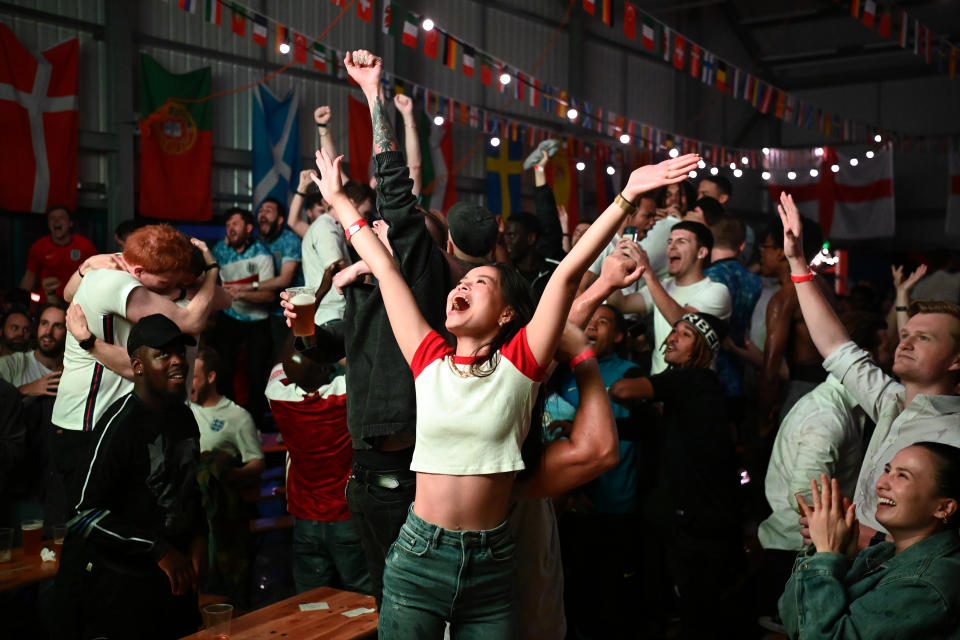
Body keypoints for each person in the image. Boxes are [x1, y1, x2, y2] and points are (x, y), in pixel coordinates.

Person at [306, 48, 698, 637]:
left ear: (509, 311)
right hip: (417, 557)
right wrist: (337, 202)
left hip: (492, 563)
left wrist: (625, 197)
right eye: (460, 281)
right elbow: (386, 272)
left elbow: (567, 274)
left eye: (479, 282)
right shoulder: (429, 358)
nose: (461, 285)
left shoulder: (522, 364)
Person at [777, 191, 960, 543]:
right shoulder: (892, 401)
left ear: (956, 360)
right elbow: (835, 345)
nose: (904, 342)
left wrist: (865, 539)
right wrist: (799, 264)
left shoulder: (951, 434)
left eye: (924, 338)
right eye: (905, 334)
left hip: (901, 588)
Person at [55, 314, 207, 640]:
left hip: (176, 586)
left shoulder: (184, 418)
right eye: (163, 354)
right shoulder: (120, 425)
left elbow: (188, 488)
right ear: (138, 366)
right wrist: (158, 549)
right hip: (126, 591)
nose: (178, 361)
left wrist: (198, 539)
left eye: (180, 352)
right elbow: (83, 515)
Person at [51, 225, 218, 508]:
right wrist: (213, 269)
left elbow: (220, 298)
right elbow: (191, 321)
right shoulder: (114, 282)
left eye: (178, 284)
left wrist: (84, 267)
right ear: (139, 272)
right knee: (90, 517)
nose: (170, 291)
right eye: (165, 285)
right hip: (86, 421)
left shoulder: (126, 264)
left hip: (118, 416)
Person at [609, 311, 743, 638]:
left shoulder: (693, 380)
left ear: (702, 350)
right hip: (690, 516)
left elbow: (622, 391)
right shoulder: (695, 390)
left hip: (697, 521)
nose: (671, 339)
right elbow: (651, 430)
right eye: (672, 332)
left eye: (683, 335)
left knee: (696, 609)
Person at [756, 310, 885, 630]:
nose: (892, 356)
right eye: (886, 348)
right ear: (867, 358)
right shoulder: (827, 419)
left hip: (808, 553)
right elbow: (804, 495)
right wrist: (840, 546)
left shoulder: (845, 406)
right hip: (797, 556)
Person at [780, 444, 960, 638]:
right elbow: (795, 621)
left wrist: (827, 554)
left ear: (944, 508)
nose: (881, 484)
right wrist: (838, 555)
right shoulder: (881, 553)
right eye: (887, 470)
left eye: (902, 476)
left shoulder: (926, 585)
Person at [264, 351, 371, 595]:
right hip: (346, 517)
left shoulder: (277, 396)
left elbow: (281, 363)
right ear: (324, 368)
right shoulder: (345, 394)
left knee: (312, 600)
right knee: (362, 598)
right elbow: (363, 363)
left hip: (305, 520)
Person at [611, 221, 732, 375]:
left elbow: (684, 323)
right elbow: (622, 304)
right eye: (669, 241)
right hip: (657, 381)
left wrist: (647, 272)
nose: (671, 247)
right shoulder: (663, 285)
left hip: (692, 384)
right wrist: (614, 273)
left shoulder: (716, 291)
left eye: (681, 241)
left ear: (701, 252)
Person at [211, 207, 275, 427]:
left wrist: (243, 293)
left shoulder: (261, 254)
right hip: (229, 317)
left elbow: (269, 295)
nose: (230, 229)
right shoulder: (219, 251)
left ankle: (254, 426)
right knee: (224, 369)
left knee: (255, 374)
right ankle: (228, 422)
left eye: (235, 224)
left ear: (249, 228)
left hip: (257, 320)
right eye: (228, 225)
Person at [704, 216, 762, 418]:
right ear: (742, 245)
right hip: (739, 372)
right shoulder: (754, 281)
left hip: (708, 374)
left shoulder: (705, 277)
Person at [250, 198, 304, 358]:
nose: (262, 214)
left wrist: (251, 286)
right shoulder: (258, 241)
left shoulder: (290, 240)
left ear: (280, 219)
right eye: (260, 211)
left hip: (289, 312)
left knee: (284, 357)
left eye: (268, 210)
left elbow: (285, 279)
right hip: (264, 309)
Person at [20, 206, 97, 304]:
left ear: (70, 223)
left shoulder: (85, 246)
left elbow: (96, 278)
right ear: (48, 224)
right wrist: (19, 303)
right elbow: (29, 277)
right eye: (52, 218)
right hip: (47, 304)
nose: (56, 221)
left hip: (77, 304)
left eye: (61, 218)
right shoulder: (39, 246)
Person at [503, 211, 560, 301]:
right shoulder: (505, 272)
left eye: (511, 235)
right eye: (504, 236)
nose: (506, 241)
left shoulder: (557, 270)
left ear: (531, 238)